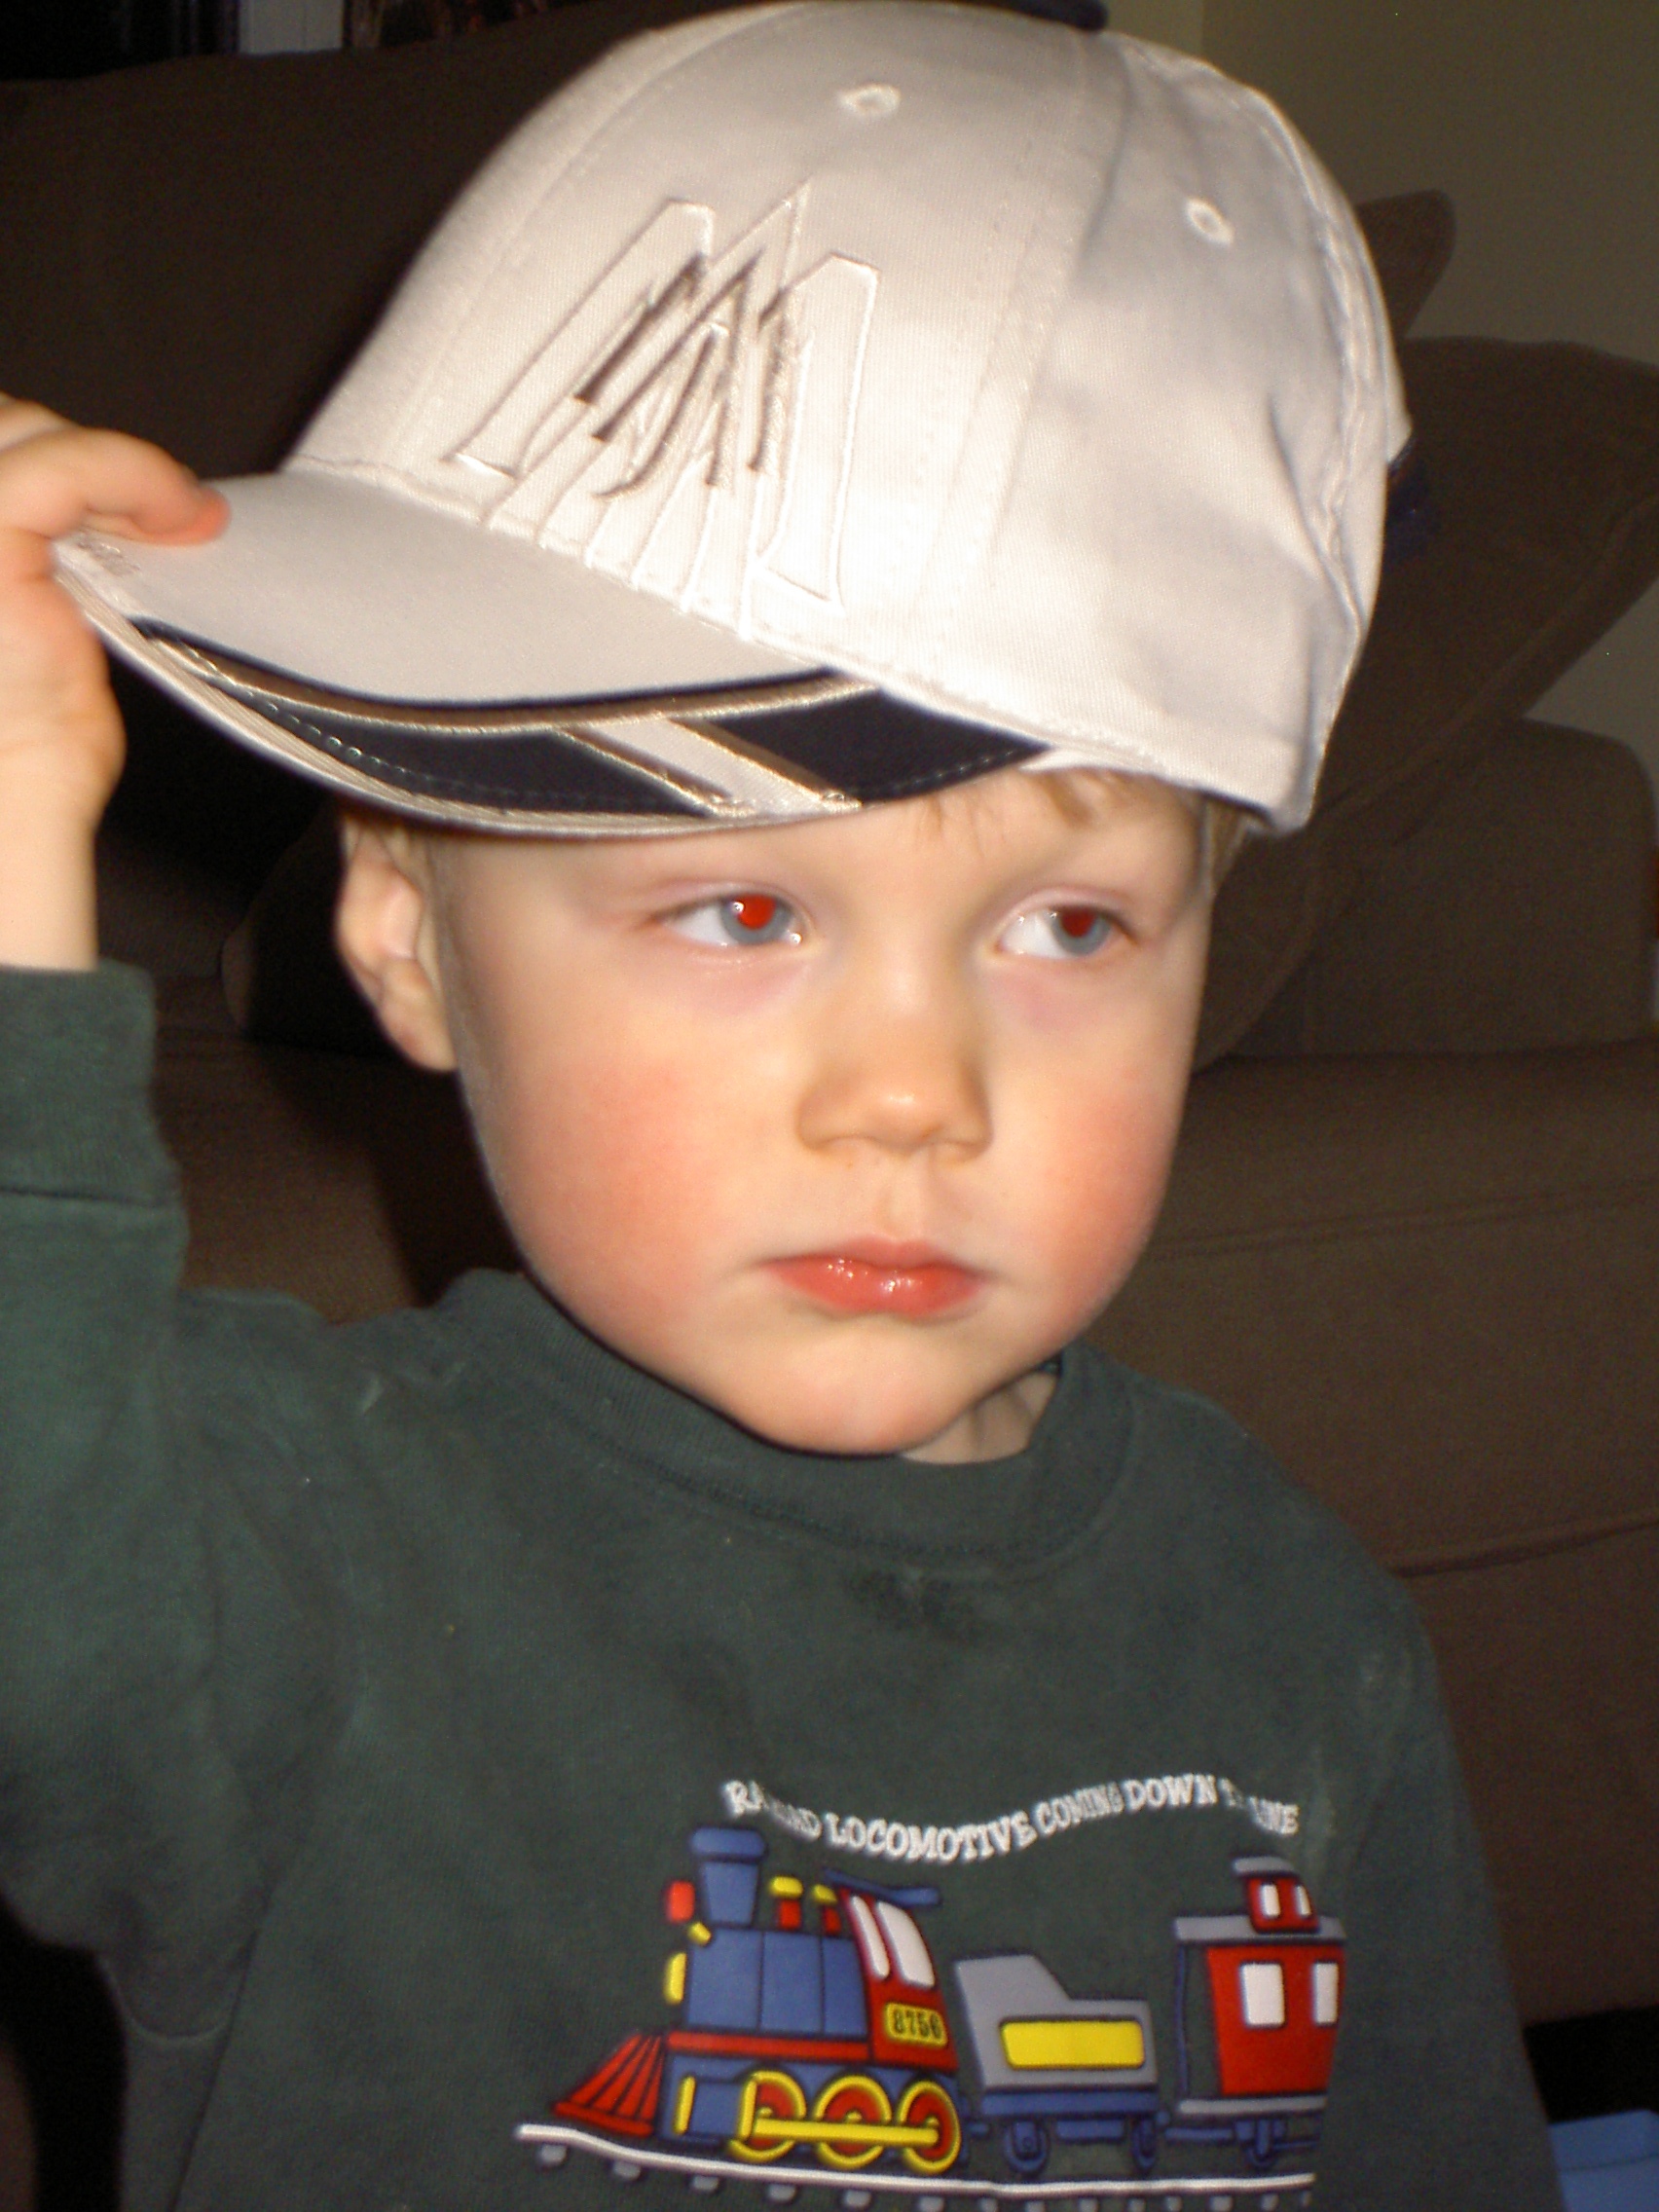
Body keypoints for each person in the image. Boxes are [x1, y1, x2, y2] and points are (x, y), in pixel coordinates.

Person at [0, 6, 1561, 2209]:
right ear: (409, 934)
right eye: (743, 907)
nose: (914, 1094)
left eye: (1069, 926)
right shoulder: (267, 1555)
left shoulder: (1298, 1622)